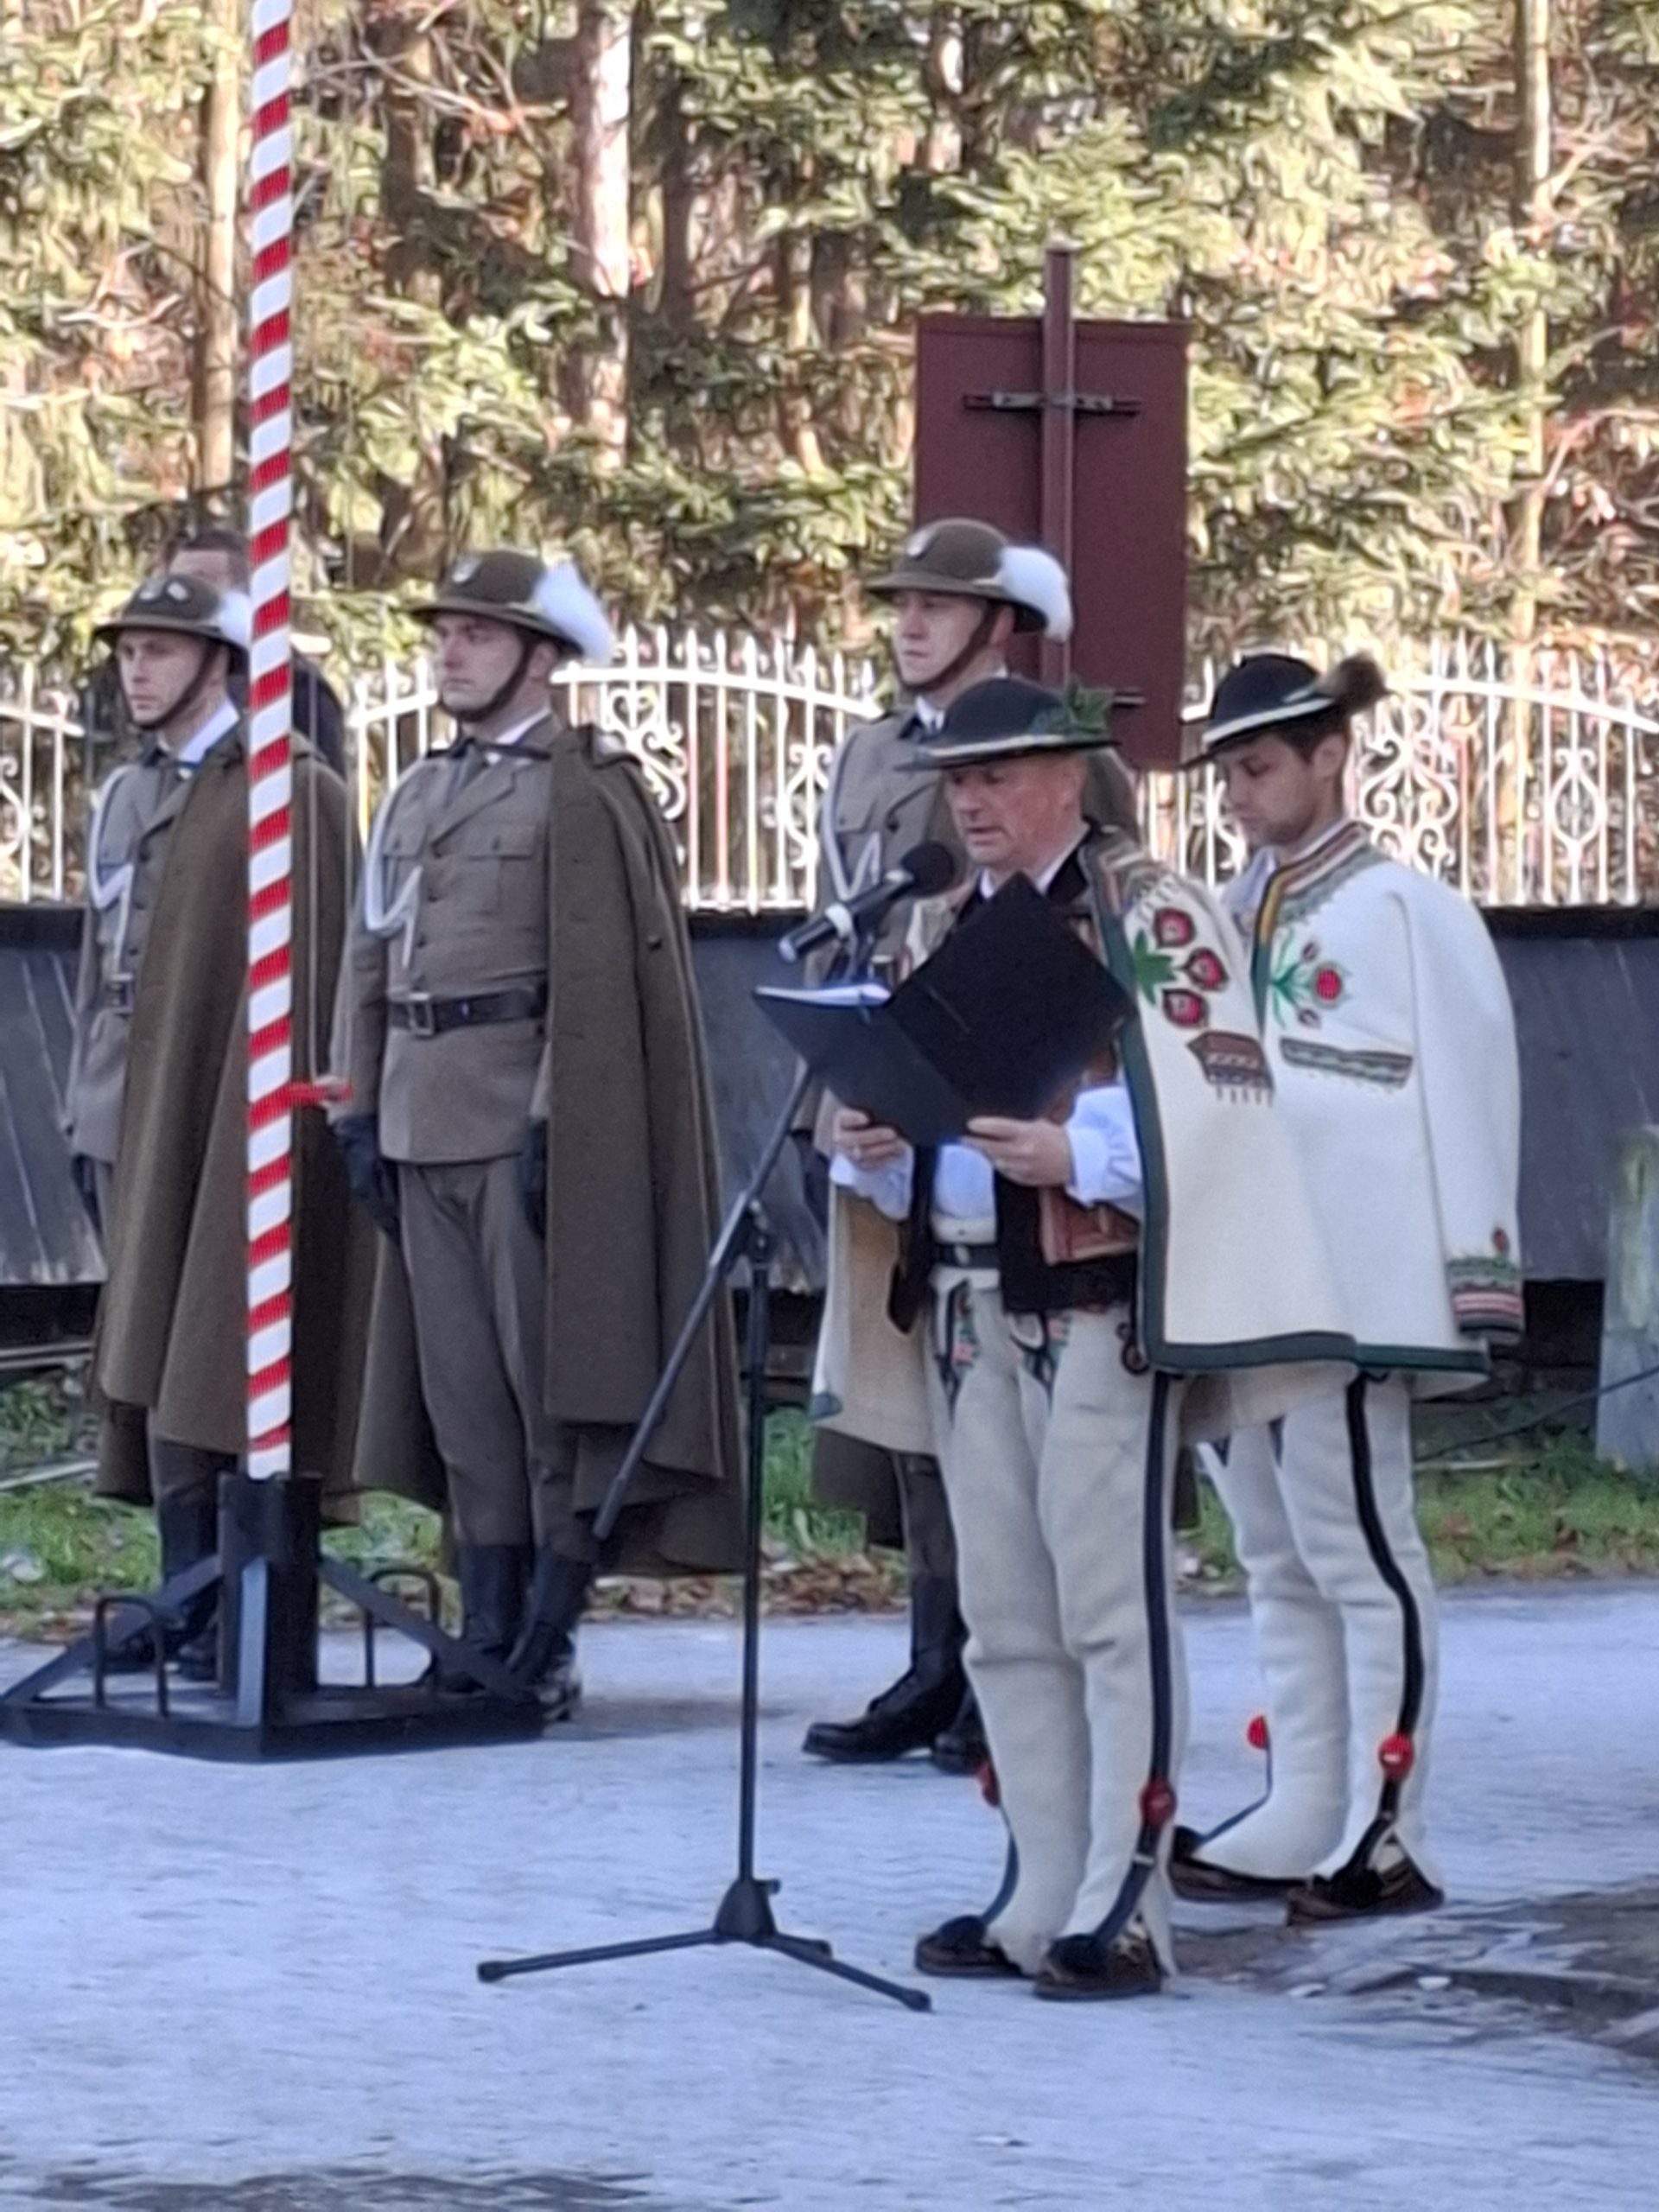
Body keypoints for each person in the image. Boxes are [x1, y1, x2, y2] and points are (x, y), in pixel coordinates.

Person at [817, 675, 1354, 1999]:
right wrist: (872, 1146)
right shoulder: (934, 916)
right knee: (1002, 1613)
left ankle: (1130, 1894)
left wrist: (1078, 1151)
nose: (974, 801)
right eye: (958, 781)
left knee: (1110, 1607)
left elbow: (1226, 1096)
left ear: (1067, 776)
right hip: (958, 1295)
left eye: (998, 776)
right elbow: (910, 1128)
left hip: (1094, 1300)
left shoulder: (1147, 907)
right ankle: (1038, 1884)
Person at [334, 550, 741, 1715]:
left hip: (523, 1120)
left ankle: (550, 1635)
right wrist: (357, 1101)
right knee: (461, 1396)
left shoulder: (586, 786)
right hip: (420, 1115)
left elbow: (602, 985)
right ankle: (488, 1618)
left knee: (552, 1386)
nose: (450, 651)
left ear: (542, 654)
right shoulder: (416, 790)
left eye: (477, 633)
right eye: (445, 632)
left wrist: (565, 1121)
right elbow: (370, 954)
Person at [1171, 653, 1522, 1923]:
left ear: (1332, 756)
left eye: (1259, 767)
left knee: (1360, 1543)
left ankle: (1390, 1824)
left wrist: (1469, 1282)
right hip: (1245, 1280)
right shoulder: (1216, 913)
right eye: (1226, 773)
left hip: (1361, 1283)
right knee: (1273, 1549)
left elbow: (1473, 1097)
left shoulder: (1408, 914)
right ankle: (1304, 1801)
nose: (1238, 795)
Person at [803, 517, 1123, 1777]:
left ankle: (1007, 1680)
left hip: (1030, 1131)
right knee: (923, 1416)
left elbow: (1083, 926)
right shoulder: (876, 749)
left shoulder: (1058, 745)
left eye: (941, 605)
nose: (912, 622)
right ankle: (944, 1657)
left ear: (999, 624)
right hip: (895, 1081)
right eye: (902, 603)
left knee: (1029, 1443)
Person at [85, 574, 365, 1675]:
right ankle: (185, 1586)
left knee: (224, 1337)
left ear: (220, 662)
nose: (137, 669)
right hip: (141, 1097)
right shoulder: (148, 791)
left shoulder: (285, 791)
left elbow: (304, 972)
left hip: (239, 1113)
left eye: (161, 649)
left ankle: (244, 1600)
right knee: (155, 1332)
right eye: (129, 651)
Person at [166, 524, 346, 776]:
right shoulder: (166, 677)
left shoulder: (296, 687)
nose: (181, 597)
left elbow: (321, 794)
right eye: (176, 583)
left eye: (198, 583)